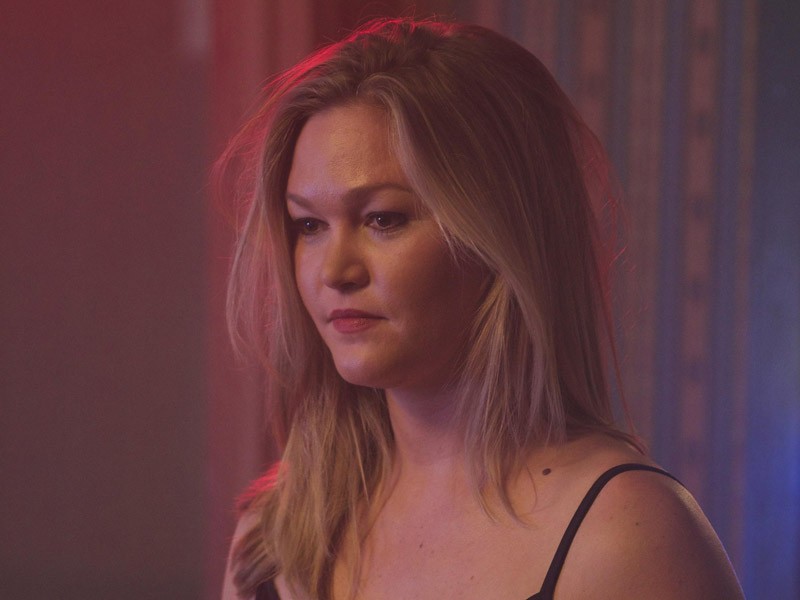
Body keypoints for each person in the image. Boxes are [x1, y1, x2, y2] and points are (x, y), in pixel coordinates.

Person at [219, 17, 744, 600]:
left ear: (498, 236)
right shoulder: (274, 536)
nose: (333, 272)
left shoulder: (627, 537)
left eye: (383, 219)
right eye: (309, 225)